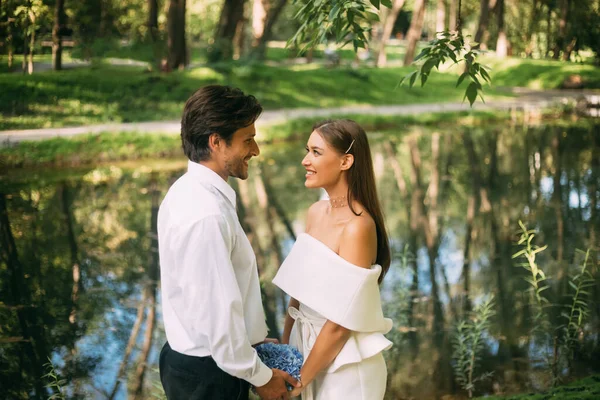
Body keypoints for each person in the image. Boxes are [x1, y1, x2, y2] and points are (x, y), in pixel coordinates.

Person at [158, 85, 300, 400]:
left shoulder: (187, 191)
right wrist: (261, 377)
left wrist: (253, 341)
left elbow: (205, 299)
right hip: (209, 377)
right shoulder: (206, 214)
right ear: (216, 142)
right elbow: (218, 318)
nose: (256, 150)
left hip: (203, 365)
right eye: (248, 139)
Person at [272, 119, 393, 399]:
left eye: (316, 152)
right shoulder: (315, 212)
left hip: (346, 365)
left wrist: (299, 382)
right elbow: (296, 296)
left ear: (345, 161)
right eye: (307, 151)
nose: (305, 160)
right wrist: (287, 353)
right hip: (306, 352)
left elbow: (339, 325)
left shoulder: (358, 227)